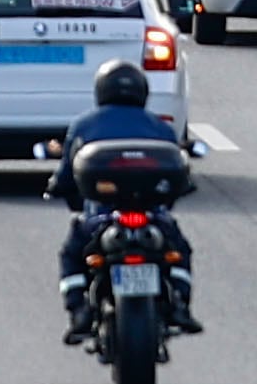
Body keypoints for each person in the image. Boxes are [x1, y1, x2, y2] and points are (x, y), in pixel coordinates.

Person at [54, 58, 197, 340]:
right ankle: (180, 303)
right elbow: (179, 177)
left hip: (101, 218)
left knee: (72, 253)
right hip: (153, 215)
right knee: (180, 250)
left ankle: (78, 308)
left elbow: (66, 175)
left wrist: (57, 188)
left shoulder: (84, 124)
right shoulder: (159, 127)